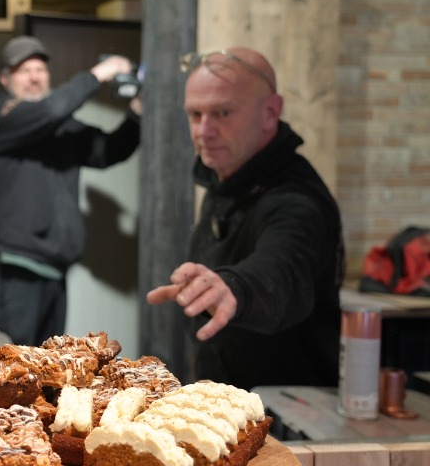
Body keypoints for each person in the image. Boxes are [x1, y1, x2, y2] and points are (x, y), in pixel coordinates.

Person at [146, 47, 344, 391]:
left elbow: (282, 270)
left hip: (285, 413)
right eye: (195, 114)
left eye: (223, 112)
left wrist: (236, 288)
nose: (204, 131)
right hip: (227, 400)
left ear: (270, 113)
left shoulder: (296, 199)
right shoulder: (227, 176)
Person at [0, 35, 142, 346]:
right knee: (12, 372)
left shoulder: (59, 127)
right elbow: (52, 110)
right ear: (5, 79)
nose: (35, 77)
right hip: (13, 268)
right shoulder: (0, 116)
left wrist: (137, 112)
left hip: (52, 268)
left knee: (47, 371)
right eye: (25, 71)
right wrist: (98, 74)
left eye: (41, 69)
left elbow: (108, 150)